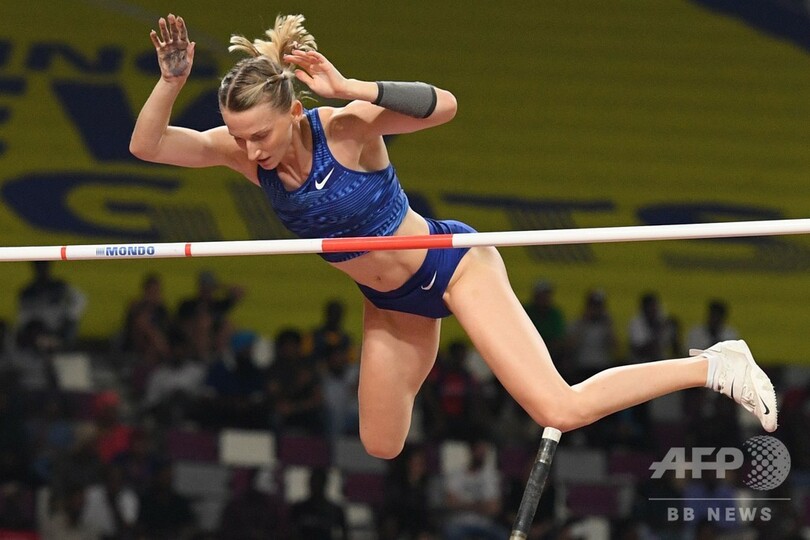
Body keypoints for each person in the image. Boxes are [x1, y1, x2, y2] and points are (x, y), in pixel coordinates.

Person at [130, 13, 778, 459]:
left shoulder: (347, 129)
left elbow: (445, 105)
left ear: (294, 112)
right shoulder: (247, 158)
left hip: (453, 267)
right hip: (391, 304)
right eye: (238, 136)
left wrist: (353, 87)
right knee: (382, 443)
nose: (250, 150)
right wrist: (169, 84)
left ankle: (713, 365)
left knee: (559, 408)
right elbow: (149, 145)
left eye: (260, 135)